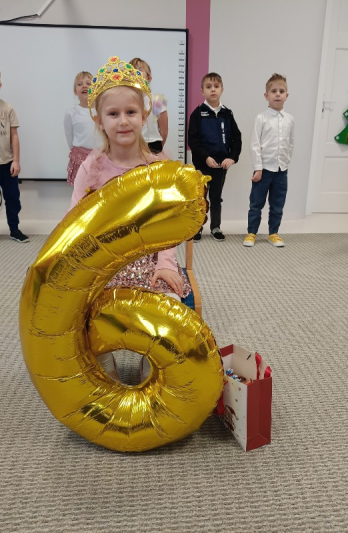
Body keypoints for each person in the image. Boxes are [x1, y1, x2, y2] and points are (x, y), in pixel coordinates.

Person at [71, 56, 191, 382]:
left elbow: (168, 226)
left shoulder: (158, 167)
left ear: (144, 116)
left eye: (131, 112)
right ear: (99, 120)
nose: (123, 121)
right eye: (113, 114)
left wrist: (166, 263)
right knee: (78, 312)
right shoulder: (91, 168)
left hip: (149, 260)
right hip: (103, 264)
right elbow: (74, 227)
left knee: (170, 307)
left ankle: (153, 362)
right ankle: (104, 364)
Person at [187, 72, 242, 241]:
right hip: (203, 165)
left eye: (216, 87)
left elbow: (237, 138)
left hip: (220, 166)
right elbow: (193, 141)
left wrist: (232, 157)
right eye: (208, 87)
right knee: (200, 197)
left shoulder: (227, 114)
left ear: (222, 90)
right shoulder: (197, 114)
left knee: (216, 197)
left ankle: (215, 227)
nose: (213, 90)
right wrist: (205, 157)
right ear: (202, 91)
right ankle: (197, 228)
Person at [244, 73, 295, 248]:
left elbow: (290, 143)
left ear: (286, 95)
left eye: (281, 91)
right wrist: (258, 167)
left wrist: (285, 162)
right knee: (256, 203)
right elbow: (254, 144)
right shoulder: (261, 118)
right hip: (263, 170)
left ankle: (274, 233)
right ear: (266, 95)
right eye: (274, 91)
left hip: (281, 170)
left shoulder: (290, 119)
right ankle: (251, 232)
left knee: (277, 204)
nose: (278, 94)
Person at [0, 61, 29, 246]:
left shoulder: (8, 108)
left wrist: (16, 161)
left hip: (8, 164)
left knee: (13, 199)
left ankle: (14, 229)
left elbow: (14, 136)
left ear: (0, 83)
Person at [63, 71, 97, 186]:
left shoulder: (101, 111)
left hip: (99, 156)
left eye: (88, 83)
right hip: (80, 158)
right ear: (75, 91)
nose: (84, 86)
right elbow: (70, 137)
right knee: (81, 189)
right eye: (80, 84)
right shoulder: (71, 113)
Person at [129, 57, 168, 155]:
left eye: (139, 69)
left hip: (153, 144)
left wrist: (158, 148)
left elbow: (164, 130)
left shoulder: (157, 99)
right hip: (131, 144)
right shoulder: (126, 101)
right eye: (131, 70)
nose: (135, 72)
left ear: (148, 78)